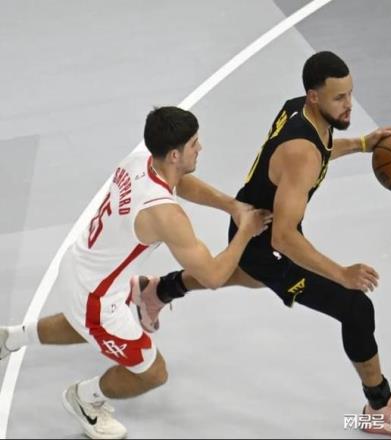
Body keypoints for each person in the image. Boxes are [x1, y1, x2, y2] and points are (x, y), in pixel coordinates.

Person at [133, 52, 391, 439]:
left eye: (350, 94)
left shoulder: (298, 111)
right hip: (267, 240)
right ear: (314, 96)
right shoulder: (301, 154)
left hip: (254, 222)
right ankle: (379, 406)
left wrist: (361, 144)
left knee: (246, 276)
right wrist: (342, 274)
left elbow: (319, 150)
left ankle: (157, 290)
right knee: (355, 307)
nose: (348, 104)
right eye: (339, 98)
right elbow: (285, 235)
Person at [0, 106, 272, 439]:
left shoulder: (142, 157)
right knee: (154, 372)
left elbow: (180, 181)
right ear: (174, 155)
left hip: (79, 266)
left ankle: (9, 338)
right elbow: (213, 276)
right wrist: (246, 230)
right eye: (194, 144)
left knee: (84, 325)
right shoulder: (164, 215)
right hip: (97, 299)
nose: (200, 148)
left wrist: (231, 206)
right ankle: (85, 399)